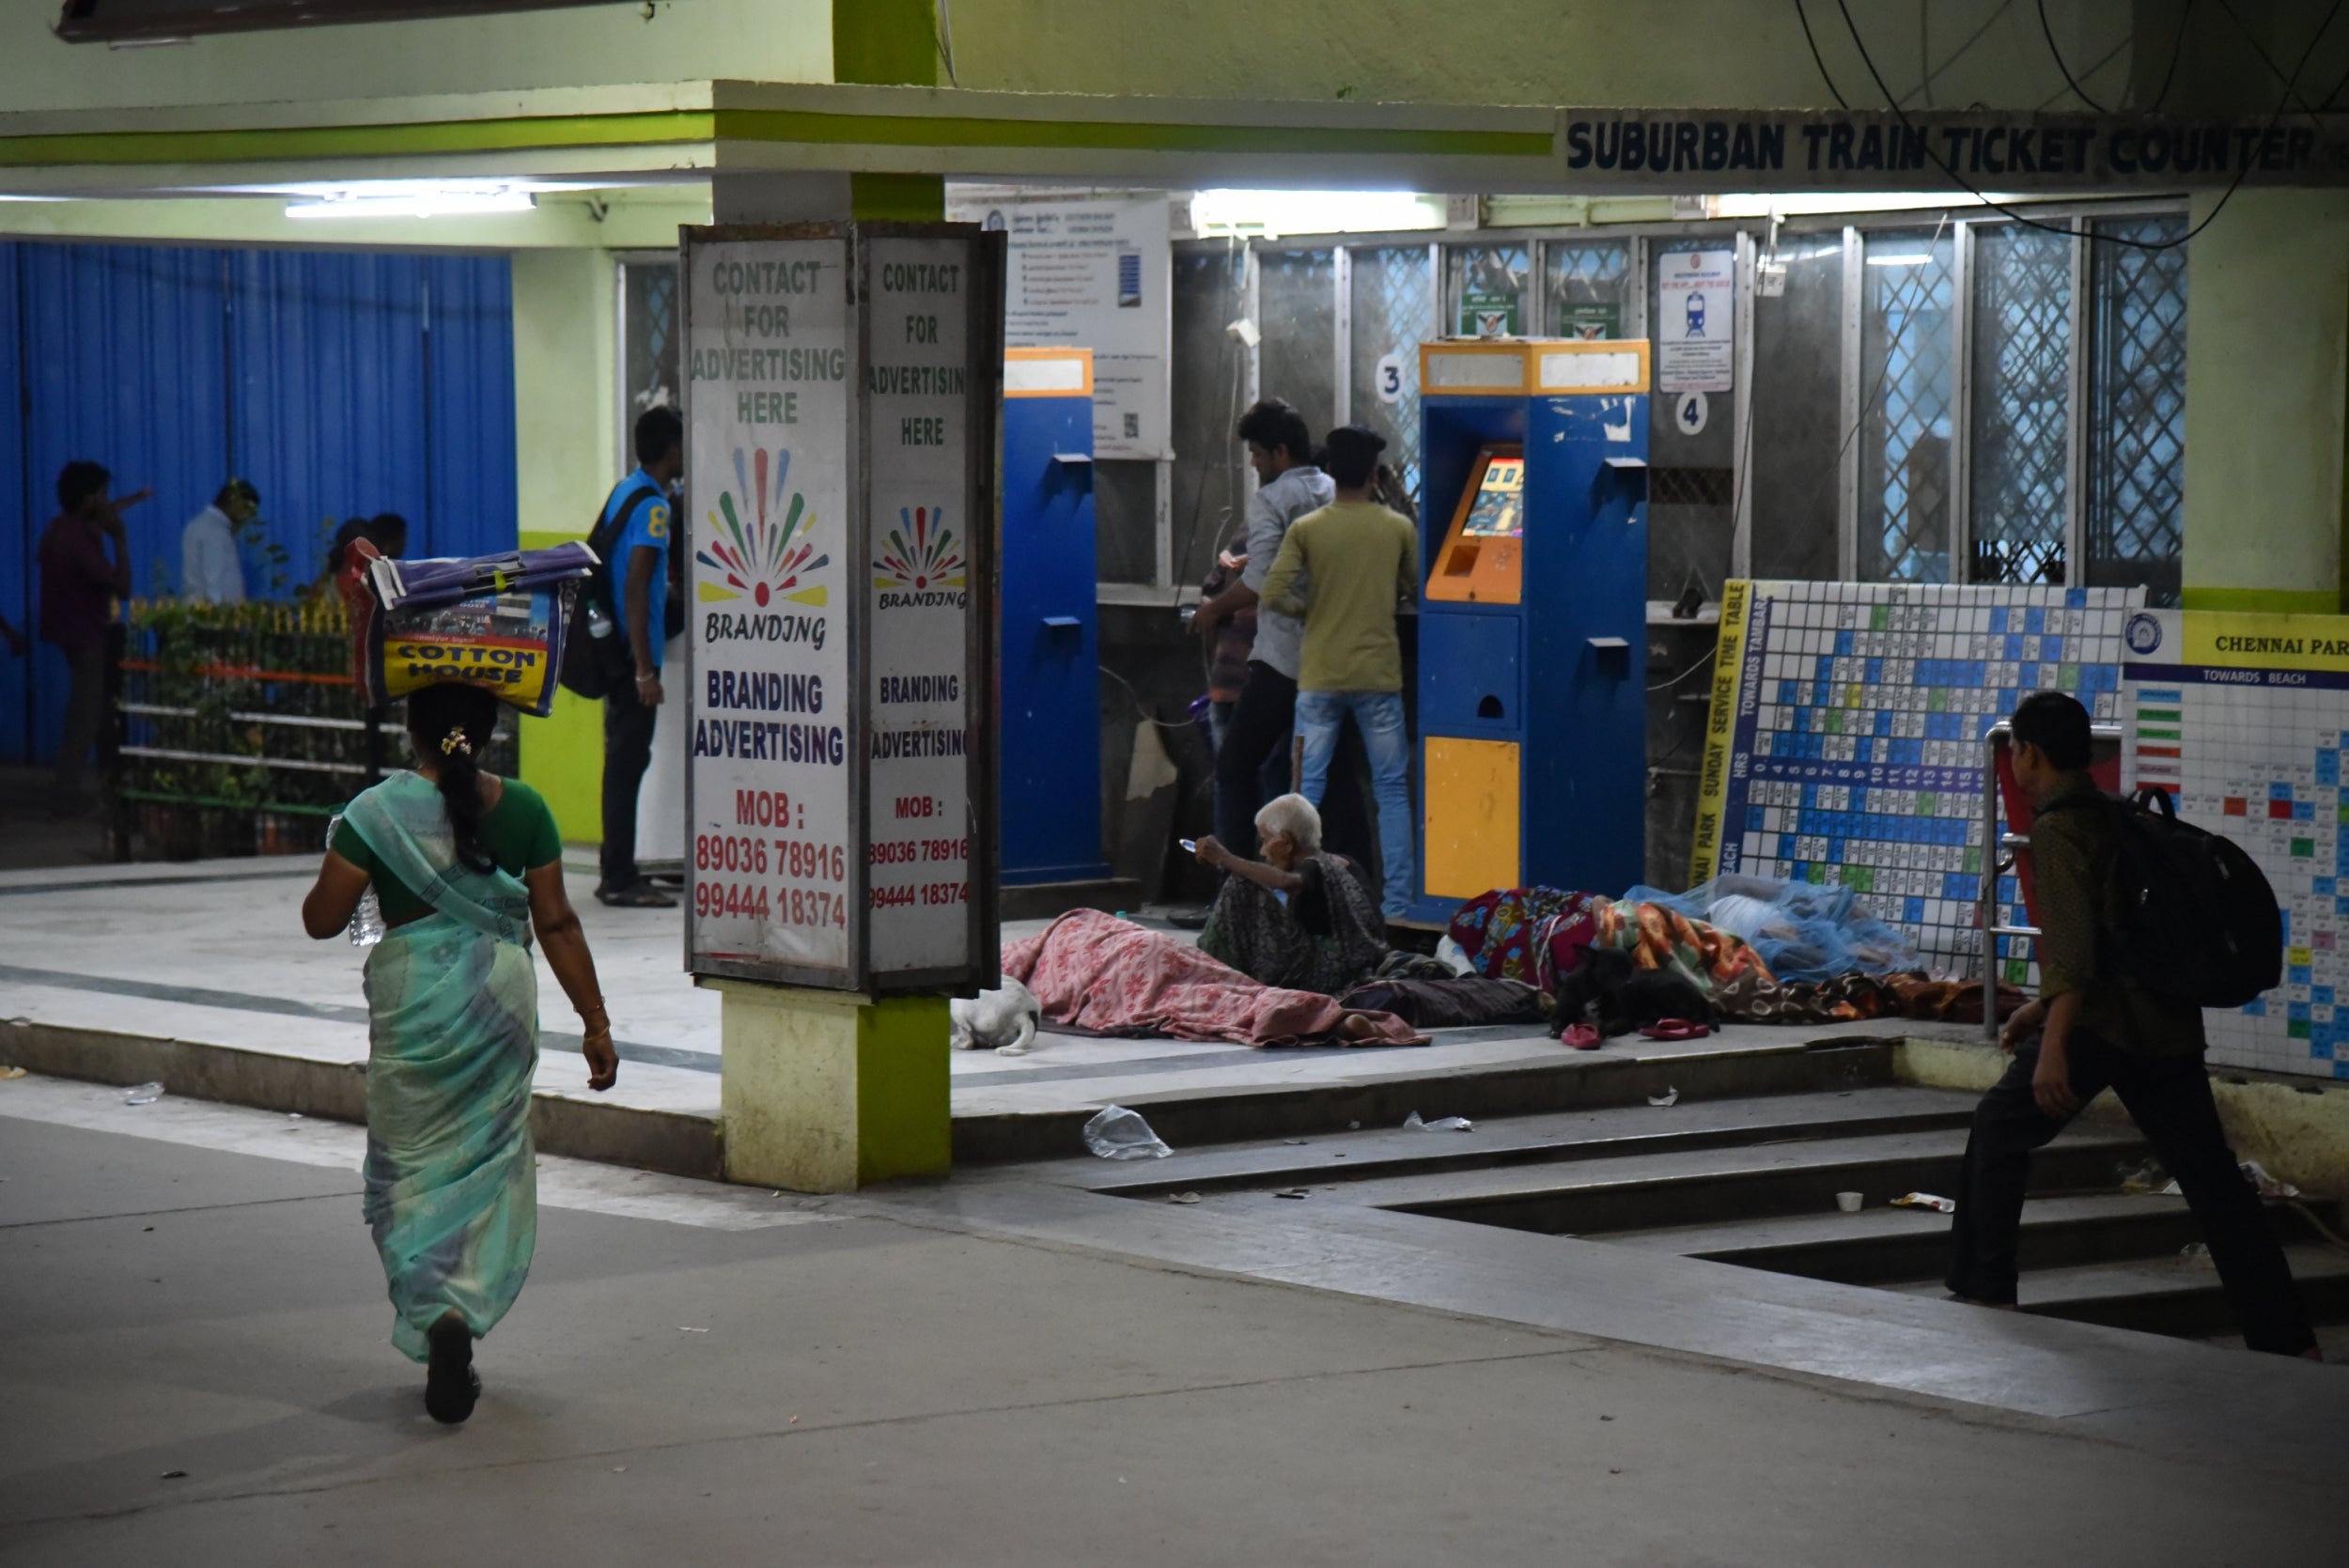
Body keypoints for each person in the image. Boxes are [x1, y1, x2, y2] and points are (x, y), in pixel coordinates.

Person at [1945, 691, 2319, 1358]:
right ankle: (2287, 1338)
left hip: (2103, 1025)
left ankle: (1988, 1287)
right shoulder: (2113, 813)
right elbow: (2110, 940)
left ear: (2028, 754)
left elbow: (2077, 955)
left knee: (2000, 1128)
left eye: (2017, 753)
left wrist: (2051, 1043)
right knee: (2213, 1182)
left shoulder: (2059, 829)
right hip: (2166, 1023)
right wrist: (2037, 1007)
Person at [301, 680, 619, 1423]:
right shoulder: (530, 810)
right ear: (487, 732)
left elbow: (322, 919)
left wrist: (350, 849)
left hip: (415, 1008)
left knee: (409, 1171)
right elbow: (560, 924)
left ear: (411, 731)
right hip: (501, 1010)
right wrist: (596, 1022)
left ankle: (434, 1308)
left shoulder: (373, 814)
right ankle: (463, 1308)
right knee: (487, 1164)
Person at [1259, 425, 1420, 921]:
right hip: (1378, 678)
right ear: (1374, 475)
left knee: (1305, 792)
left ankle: (1292, 896)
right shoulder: (1397, 528)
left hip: (1321, 677)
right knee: (1391, 790)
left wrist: (1313, 610)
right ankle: (1396, 905)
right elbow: (1413, 586)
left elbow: (1273, 592)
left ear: (1329, 472)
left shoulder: (1308, 529)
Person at [1194, 398, 1332, 857]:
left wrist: (1213, 609)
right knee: (1318, 779)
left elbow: (1260, 582)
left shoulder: (1273, 500)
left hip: (1280, 662)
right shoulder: (1333, 491)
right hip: (1330, 660)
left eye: (1256, 453)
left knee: (1235, 768)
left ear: (1281, 452)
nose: (1253, 463)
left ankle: (1239, 889)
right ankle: (1318, 886)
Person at [597, 405, 684, 907]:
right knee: (629, 762)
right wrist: (644, 669)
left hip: (618, 651)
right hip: (634, 657)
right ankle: (620, 877)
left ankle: (617, 869)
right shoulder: (654, 505)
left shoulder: (626, 489)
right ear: (671, 450)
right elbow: (635, 582)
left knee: (623, 763)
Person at [1192, 793, 1392, 997]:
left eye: (1265, 840)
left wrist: (1225, 858)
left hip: (1328, 973)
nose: (1262, 851)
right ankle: (1211, 974)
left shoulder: (1316, 867)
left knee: (1240, 884)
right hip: (1348, 966)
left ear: (1287, 842)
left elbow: (1285, 882)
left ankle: (1205, 978)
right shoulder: (1342, 863)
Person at [38, 461, 149, 816]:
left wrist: (131, 501)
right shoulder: (79, 539)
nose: (106, 500)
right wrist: (120, 540)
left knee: (99, 713)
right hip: (87, 633)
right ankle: (65, 797)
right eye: (101, 493)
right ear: (88, 498)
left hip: (69, 632)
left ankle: (107, 788)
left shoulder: (57, 529)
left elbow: (102, 515)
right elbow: (123, 586)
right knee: (85, 717)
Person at [179, 478, 261, 604]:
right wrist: (219, 616)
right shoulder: (214, 530)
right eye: (246, 508)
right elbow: (215, 579)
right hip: (213, 616)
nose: (246, 516)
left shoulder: (199, 524)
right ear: (235, 502)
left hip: (200, 611)